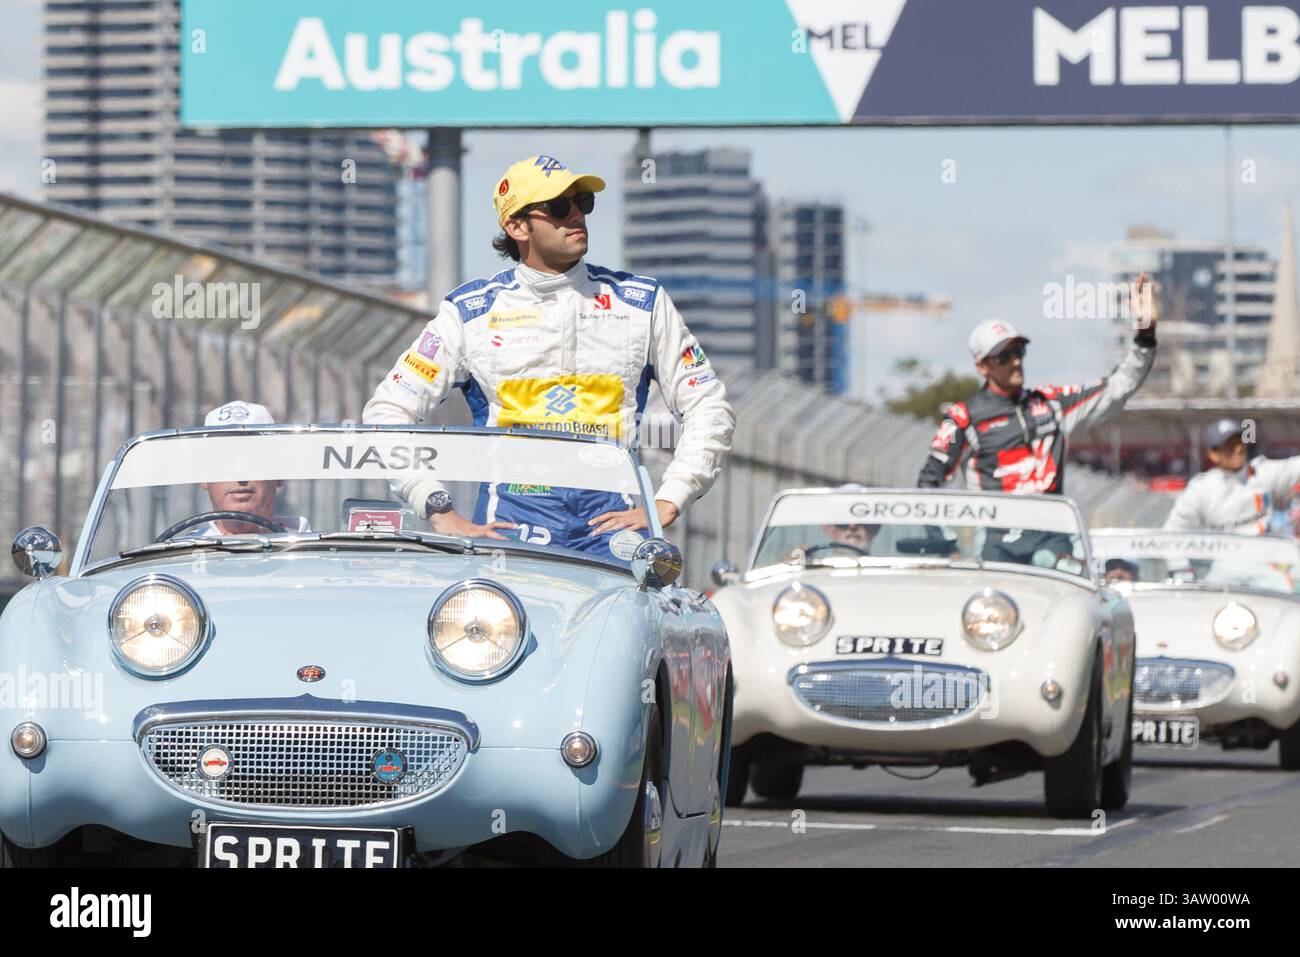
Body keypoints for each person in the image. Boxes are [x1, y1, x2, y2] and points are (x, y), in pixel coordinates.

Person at [361, 154, 735, 559]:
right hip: (509, 533)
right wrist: (436, 507)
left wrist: (669, 500)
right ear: (516, 226)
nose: (577, 215)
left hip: (614, 533)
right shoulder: (471, 311)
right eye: (560, 208)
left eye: (583, 204)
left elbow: (709, 405)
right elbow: (387, 412)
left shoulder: (641, 302)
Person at [917, 274, 1158, 495]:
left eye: (1019, 351)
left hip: (1051, 536)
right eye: (1003, 356)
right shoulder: (961, 418)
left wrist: (1145, 333)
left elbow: (1119, 386)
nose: (1015, 361)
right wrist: (942, 540)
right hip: (996, 539)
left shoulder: (1051, 403)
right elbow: (929, 482)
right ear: (982, 366)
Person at [181, 401, 310, 537]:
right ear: (204, 477)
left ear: (279, 473)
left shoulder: (313, 550)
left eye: (252, 458)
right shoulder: (184, 554)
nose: (240, 473)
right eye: (224, 460)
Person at [1163, 418, 1300, 535]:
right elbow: (1173, 531)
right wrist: (1180, 566)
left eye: (1239, 442)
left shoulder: (1264, 473)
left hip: (1265, 561)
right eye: (1229, 445)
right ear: (1213, 454)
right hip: (1222, 564)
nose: (1238, 449)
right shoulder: (1200, 489)